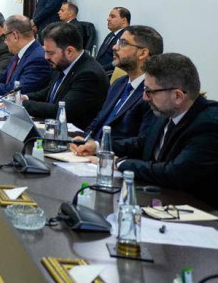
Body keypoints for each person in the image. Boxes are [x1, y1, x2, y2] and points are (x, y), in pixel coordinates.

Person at [72, 53, 218, 207]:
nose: (144, 97)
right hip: (160, 199)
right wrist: (99, 147)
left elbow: (174, 173)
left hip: (196, 210)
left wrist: (120, 163)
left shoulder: (209, 125)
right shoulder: (166, 110)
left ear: (178, 96)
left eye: (150, 91)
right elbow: (143, 143)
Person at [72, 25, 163, 148]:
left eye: (123, 43)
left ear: (142, 53)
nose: (114, 47)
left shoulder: (153, 94)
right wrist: (83, 139)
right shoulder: (119, 83)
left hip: (116, 156)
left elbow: (142, 142)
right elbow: (98, 120)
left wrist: (98, 146)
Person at [22, 22, 109, 129]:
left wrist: (23, 104)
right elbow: (51, 91)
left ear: (69, 51)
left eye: (50, 53)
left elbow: (62, 110)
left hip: (74, 134)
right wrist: (26, 97)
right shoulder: (63, 63)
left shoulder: (88, 75)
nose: (46, 57)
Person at [0, 15, 51, 95]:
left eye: (5, 37)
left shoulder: (37, 59)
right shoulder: (19, 54)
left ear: (15, 35)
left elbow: (15, 90)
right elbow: (3, 77)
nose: (5, 42)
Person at [95, 7, 130, 76]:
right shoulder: (111, 35)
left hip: (109, 74)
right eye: (109, 16)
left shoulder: (126, 36)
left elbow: (118, 62)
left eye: (113, 16)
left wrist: (97, 70)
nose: (108, 19)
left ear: (123, 20)